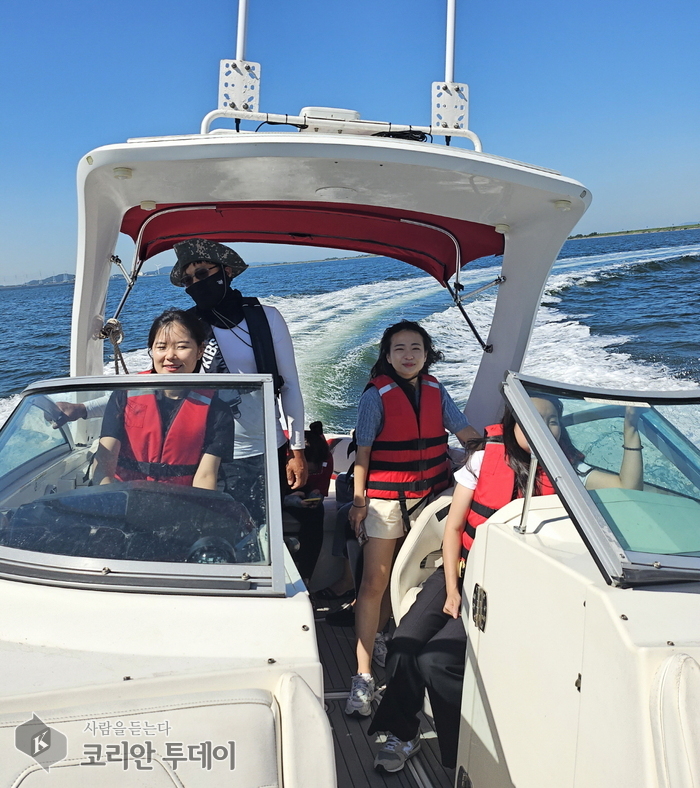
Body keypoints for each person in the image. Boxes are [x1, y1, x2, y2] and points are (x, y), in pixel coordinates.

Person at [368, 394, 643, 773]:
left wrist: (633, 435)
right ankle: (404, 731)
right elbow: (453, 528)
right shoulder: (483, 458)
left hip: (512, 588)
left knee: (436, 661)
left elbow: (630, 487)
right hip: (462, 571)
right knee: (403, 643)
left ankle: (460, 759)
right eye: (531, 419)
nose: (542, 428)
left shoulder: (570, 471)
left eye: (552, 421)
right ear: (512, 424)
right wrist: (450, 589)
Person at [345, 320, 480, 718]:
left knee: (409, 576)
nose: (408, 355)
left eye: (416, 348)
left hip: (430, 499)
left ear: (426, 354)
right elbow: (364, 453)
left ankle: (389, 636)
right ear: (387, 356)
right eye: (400, 349)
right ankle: (363, 673)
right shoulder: (375, 397)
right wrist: (357, 502)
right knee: (375, 582)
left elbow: (462, 430)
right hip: (385, 503)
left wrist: (489, 448)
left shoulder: (437, 390)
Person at [169, 239, 307, 521]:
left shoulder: (267, 318)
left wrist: (297, 450)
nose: (196, 283)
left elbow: (290, 385)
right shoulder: (188, 327)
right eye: (189, 279)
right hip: (209, 455)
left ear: (226, 271)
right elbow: (166, 383)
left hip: (267, 450)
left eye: (203, 274)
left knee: (266, 534)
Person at [92, 309, 234, 489]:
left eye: (182, 346)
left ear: (200, 351)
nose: (170, 356)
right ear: (151, 350)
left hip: (183, 503)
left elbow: (206, 477)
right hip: (124, 499)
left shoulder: (218, 409)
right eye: (161, 347)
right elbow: (104, 463)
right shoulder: (124, 395)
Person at [283, 421, 333, 584]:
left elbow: (321, 488)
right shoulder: (278, 454)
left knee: (316, 513)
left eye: (313, 472)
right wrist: (287, 500)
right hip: (278, 492)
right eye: (306, 472)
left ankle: (305, 578)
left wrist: (315, 495)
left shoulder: (325, 459)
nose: (308, 475)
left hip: (302, 495)